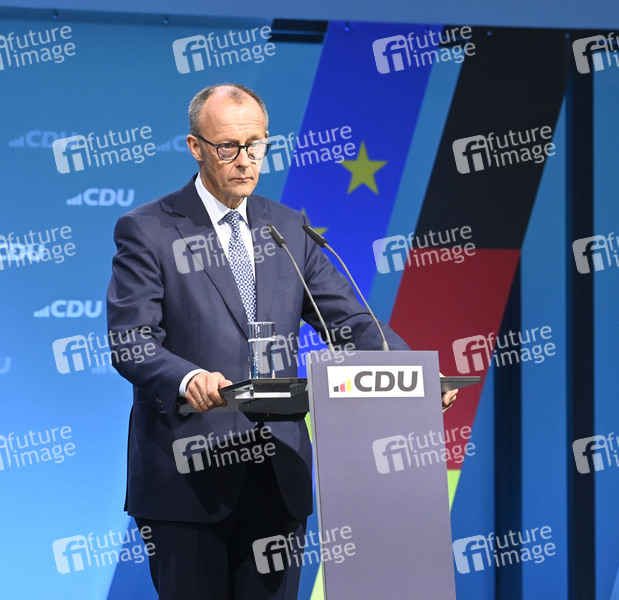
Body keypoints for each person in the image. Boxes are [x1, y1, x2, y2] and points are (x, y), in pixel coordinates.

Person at [106, 83, 456, 599]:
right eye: (228, 147)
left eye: (256, 145)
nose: (244, 160)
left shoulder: (288, 228)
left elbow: (349, 320)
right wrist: (187, 377)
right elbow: (131, 341)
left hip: (277, 477)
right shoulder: (149, 229)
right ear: (196, 146)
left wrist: (411, 375)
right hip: (188, 477)